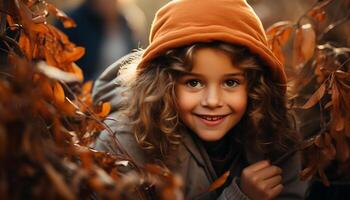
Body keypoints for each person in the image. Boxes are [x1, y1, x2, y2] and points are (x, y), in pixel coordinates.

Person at [92, 0, 308, 199]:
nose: (213, 101)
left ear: (254, 86)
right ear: (163, 84)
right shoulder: (122, 143)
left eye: (230, 82)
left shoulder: (275, 133)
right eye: (193, 83)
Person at [56, 0, 138, 80]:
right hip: (87, 90)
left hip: (124, 88)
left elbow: (135, 60)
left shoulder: (127, 22)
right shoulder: (71, 21)